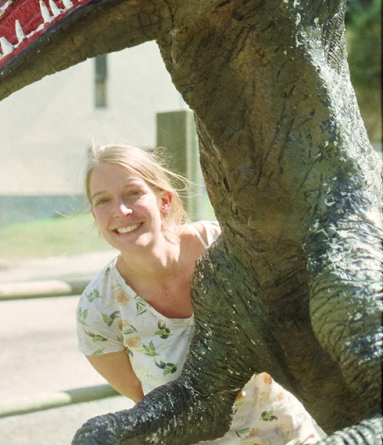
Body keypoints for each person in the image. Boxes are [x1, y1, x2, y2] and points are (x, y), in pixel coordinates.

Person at [76, 143, 323, 445]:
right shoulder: (98, 309)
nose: (121, 211)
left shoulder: (223, 245)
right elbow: (145, 398)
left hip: (287, 437)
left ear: (164, 200)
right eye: (103, 200)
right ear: (94, 213)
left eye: (133, 193)